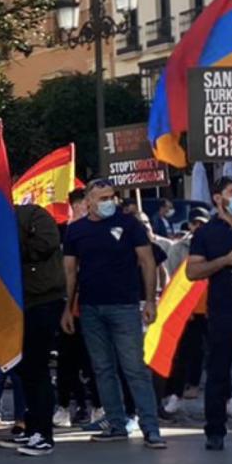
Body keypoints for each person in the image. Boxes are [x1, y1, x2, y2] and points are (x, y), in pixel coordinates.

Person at [61, 179, 167, 449]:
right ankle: (116, 423)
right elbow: (70, 271)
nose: (110, 201)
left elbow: (147, 262)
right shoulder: (76, 231)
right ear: (88, 202)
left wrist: (151, 301)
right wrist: (67, 308)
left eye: (112, 196)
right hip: (90, 308)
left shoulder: (131, 225)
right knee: (103, 369)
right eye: (103, 197)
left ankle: (150, 428)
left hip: (125, 306)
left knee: (134, 368)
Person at [185, 176, 232, 451]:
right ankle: (215, 430)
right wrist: (225, 262)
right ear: (218, 198)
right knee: (218, 370)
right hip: (223, 307)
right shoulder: (206, 233)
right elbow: (193, 271)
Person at [13, 197, 66, 456]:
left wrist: (12, 248)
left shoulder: (33, 215)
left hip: (42, 301)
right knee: (25, 369)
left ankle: (43, 433)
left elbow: (47, 243)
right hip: (19, 303)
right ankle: (33, 428)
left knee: (37, 367)